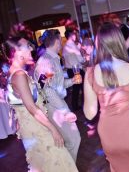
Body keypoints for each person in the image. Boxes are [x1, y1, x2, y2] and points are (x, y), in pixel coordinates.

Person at [83, 22, 129, 172]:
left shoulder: (90, 73)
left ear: (98, 44)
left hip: (111, 136)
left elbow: (90, 113)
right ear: (119, 41)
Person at [1, 36, 78, 171]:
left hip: (34, 127)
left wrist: (42, 81)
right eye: (27, 46)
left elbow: (25, 101)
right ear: (17, 52)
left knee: (50, 164)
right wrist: (54, 129)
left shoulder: (14, 73)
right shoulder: (19, 75)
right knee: (57, 162)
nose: (32, 48)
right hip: (37, 129)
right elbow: (31, 107)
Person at [34, 29, 81, 161]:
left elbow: (56, 86)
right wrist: (65, 111)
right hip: (54, 107)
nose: (61, 43)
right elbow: (48, 91)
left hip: (58, 104)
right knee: (74, 139)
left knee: (67, 142)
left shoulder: (54, 59)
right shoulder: (46, 62)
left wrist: (72, 81)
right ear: (56, 41)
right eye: (60, 40)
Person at [63, 29, 85, 111]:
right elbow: (80, 59)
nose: (75, 36)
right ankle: (83, 104)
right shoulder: (72, 45)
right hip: (76, 70)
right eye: (74, 34)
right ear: (71, 35)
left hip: (70, 70)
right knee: (83, 87)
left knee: (76, 88)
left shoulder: (65, 45)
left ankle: (75, 105)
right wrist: (85, 58)